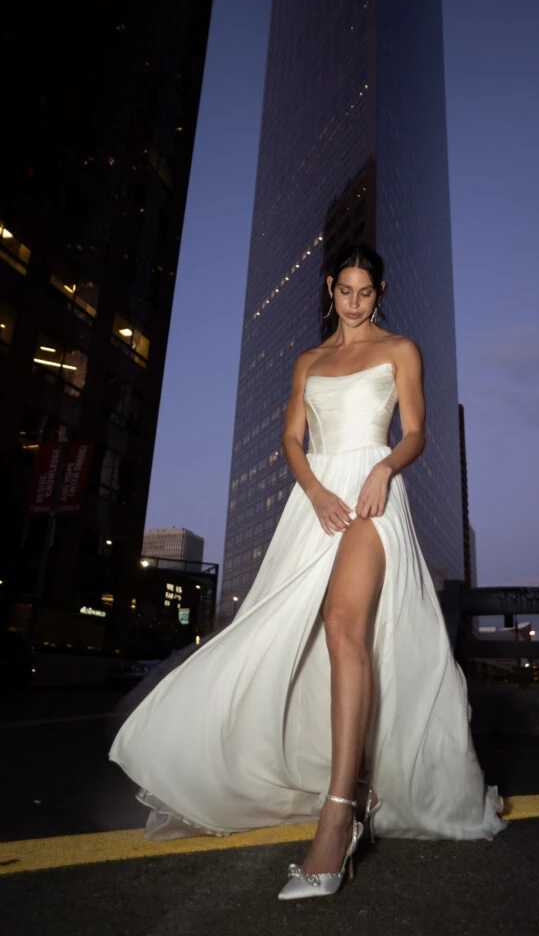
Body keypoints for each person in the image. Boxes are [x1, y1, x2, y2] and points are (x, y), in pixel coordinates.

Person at [109, 243, 506, 901]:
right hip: (316, 502)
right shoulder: (308, 361)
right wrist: (316, 491)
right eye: (344, 290)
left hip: (374, 496)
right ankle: (350, 784)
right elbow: (292, 439)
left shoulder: (400, 349)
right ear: (330, 287)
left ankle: (337, 818)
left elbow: (416, 433)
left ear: (380, 292)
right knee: (295, 638)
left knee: (343, 623)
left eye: (364, 292)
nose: (353, 303)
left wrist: (381, 470)